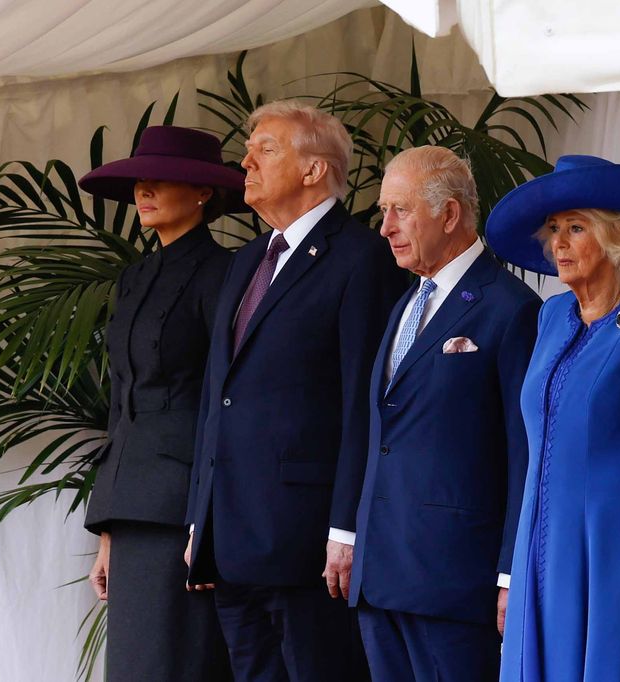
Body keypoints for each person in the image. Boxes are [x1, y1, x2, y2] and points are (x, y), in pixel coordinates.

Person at [184, 100, 408, 682]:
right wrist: (198, 518)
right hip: (232, 538)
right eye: (249, 149)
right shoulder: (249, 260)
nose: (246, 160)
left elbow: (368, 402)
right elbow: (219, 393)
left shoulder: (363, 258)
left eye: (266, 148)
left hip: (309, 542)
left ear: (313, 170)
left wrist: (346, 526)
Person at [485, 155, 620, 682]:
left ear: (617, 237)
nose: (557, 242)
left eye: (575, 227)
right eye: (553, 229)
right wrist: (513, 571)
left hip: (610, 546)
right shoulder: (552, 315)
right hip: (539, 542)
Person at [348, 146, 540, 681]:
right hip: (381, 574)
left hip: (454, 580)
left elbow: (524, 452)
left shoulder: (511, 307)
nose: (384, 227)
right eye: (384, 210)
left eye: (400, 210)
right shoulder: (407, 301)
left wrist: (510, 572)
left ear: (449, 214)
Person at [78, 125, 245, 682]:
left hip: (184, 507)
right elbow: (120, 405)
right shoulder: (134, 277)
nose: (143, 189)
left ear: (202, 192)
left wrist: (209, 518)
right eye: (139, 180)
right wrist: (107, 533)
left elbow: (227, 400)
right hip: (131, 506)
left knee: (176, 662)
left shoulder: (226, 274)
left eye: (161, 179)